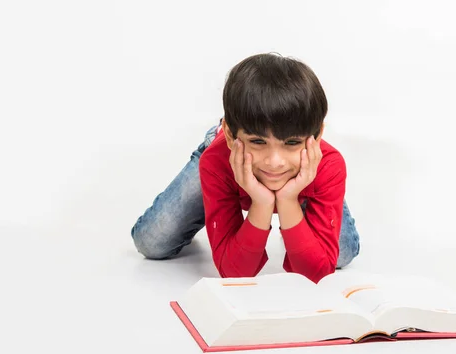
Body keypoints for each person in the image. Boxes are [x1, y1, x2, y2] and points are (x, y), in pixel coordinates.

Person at [130, 53, 360, 283]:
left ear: (317, 136)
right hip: (226, 161)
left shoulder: (328, 165)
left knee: (342, 255)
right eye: (258, 141)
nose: (274, 161)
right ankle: (230, 159)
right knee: (152, 242)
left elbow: (316, 274)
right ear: (231, 135)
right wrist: (262, 203)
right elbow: (234, 274)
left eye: (292, 143)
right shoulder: (216, 162)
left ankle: (301, 198)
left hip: (306, 173)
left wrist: (289, 200)